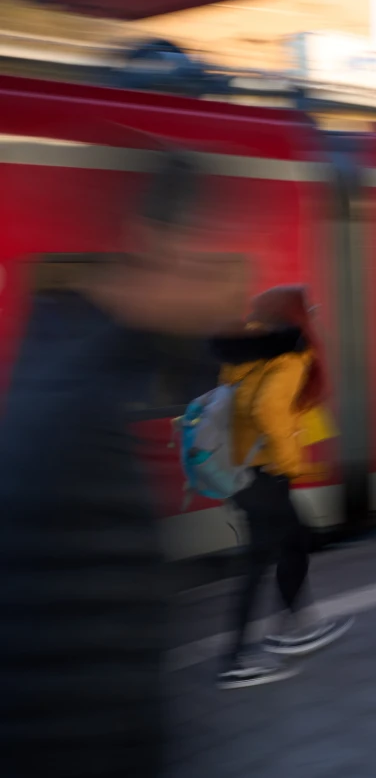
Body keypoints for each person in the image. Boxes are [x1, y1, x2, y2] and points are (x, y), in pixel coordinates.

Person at [0, 147, 249, 776]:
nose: (231, 294)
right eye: (218, 265)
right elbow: (72, 655)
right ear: (156, 247)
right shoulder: (68, 410)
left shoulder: (76, 373)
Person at [212, 287, 354, 689]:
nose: (315, 313)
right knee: (259, 563)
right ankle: (234, 660)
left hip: (242, 468)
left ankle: (294, 626)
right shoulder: (290, 353)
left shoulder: (245, 351)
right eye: (310, 308)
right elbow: (268, 409)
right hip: (265, 472)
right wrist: (288, 462)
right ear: (295, 314)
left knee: (294, 540)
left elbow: (237, 403)